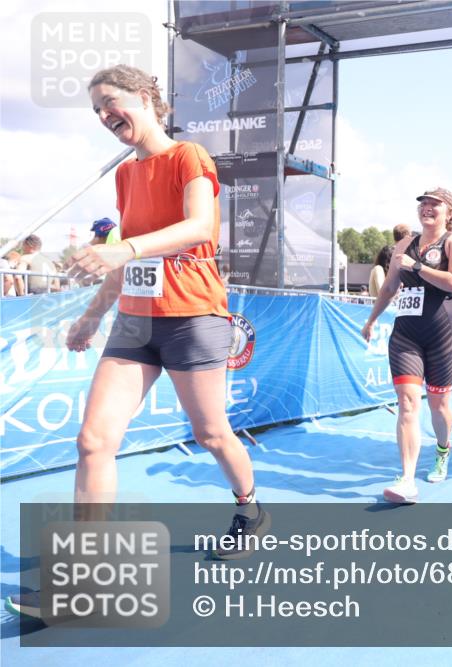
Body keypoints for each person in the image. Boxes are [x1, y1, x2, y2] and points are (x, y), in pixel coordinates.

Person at [11, 67, 268, 615]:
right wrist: (89, 318)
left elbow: (200, 227)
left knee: (211, 432)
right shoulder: (126, 176)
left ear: (147, 97)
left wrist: (122, 250)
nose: (105, 116)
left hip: (194, 315)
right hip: (133, 322)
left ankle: (249, 508)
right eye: (97, 111)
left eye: (111, 102)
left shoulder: (190, 157)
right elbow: (127, 260)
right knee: (93, 441)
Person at [361, 187, 452, 504]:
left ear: (449, 212)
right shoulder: (403, 245)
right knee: (408, 402)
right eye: (423, 203)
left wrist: (418, 267)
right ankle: (407, 479)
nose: (427, 208)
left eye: (434, 204)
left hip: (445, 334)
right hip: (407, 334)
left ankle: (442, 449)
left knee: (438, 406)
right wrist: (371, 320)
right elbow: (390, 288)